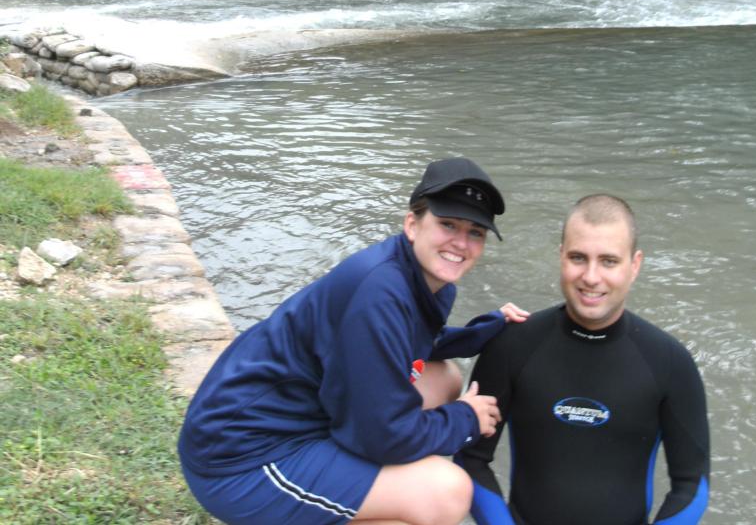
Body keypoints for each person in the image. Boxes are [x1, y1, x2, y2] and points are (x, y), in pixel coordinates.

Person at [178, 156, 530, 525]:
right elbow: (383, 437)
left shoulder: (424, 281)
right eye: (447, 224)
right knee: (445, 493)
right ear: (412, 224)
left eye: (475, 232)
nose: (460, 242)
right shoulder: (379, 291)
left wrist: (484, 330)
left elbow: (409, 342)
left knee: (443, 378)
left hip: (300, 419)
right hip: (240, 460)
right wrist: (465, 419)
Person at [457, 193, 711, 525]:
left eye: (608, 261)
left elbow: (692, 484)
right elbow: (471, 457)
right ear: (561, 256)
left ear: (634, 265)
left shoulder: (670, 362)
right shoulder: (512, 345)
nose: (591, 277)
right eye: (578, 258)